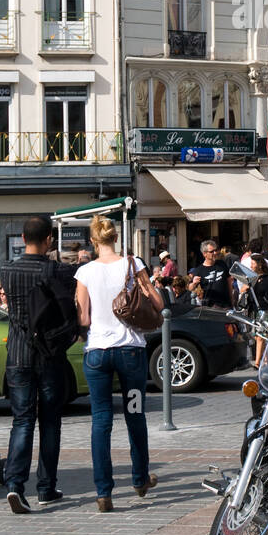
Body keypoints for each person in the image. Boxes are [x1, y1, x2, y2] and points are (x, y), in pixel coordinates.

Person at [74, 215, 162, 512]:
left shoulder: (84, 271)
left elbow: (83, 318)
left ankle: (104, 492)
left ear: (93, 241)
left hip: (97, 353)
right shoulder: (133, 264)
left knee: (101, 421)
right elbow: (158, 303)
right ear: (115, 238)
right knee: (135, 414)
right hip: (130, 353)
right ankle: (139, 479)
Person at [0, 215, 77, 514]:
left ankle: (14, 485)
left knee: (21, 421)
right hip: (49, 354)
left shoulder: (7, 270)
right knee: (49, 421)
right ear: (49, 241)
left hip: (18, 354)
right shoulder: (57, 270)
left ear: (21, 238)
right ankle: (46, 487)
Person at [248, 255, 268, 369]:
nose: (251, 266)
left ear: (260, 264)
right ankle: (265, 358)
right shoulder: (252, 278)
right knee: (257, 336)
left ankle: (257, 363)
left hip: (266, 310)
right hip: (255, 310)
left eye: (253, 263)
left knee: (260, 337)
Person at [189, 240, 233, 310]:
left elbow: (229, 283)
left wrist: (232, 302)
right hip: (210, 308)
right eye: (211, 251)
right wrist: (194, 283)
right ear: (204, 254)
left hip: (225, 306)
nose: (215, 253)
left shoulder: (222, 264)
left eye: (215, 250)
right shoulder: (199, 270)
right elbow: (190, 288)